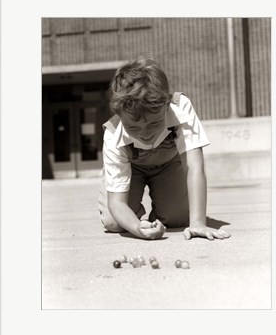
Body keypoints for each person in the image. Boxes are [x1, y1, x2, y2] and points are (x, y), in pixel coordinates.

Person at [98, 57, 231, 241]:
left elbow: (194, 166)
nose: (145, 134)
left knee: (178, 218)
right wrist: (138, 228)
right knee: (114, 222)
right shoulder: (114, 133)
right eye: (134, 128)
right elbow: (117, 202)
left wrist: (198, 223)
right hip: (131, 169)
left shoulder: (180, 106)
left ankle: (163, 212)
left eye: (154, 124)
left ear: (166, 105)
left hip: (169, 165)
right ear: (119, 115)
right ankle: (137, 215)